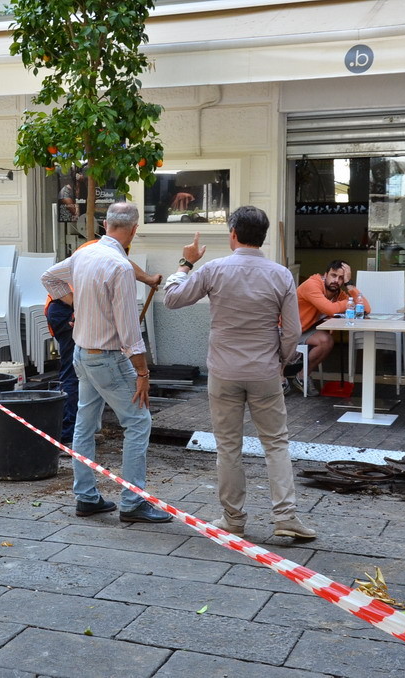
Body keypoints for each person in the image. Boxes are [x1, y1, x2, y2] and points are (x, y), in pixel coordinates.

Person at [164, 206, 316, 539]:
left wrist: (186, 263)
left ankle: (233, 518)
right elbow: (292, 330)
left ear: (233, 234)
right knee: (276, 443)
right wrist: (281, 361)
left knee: (228, 446)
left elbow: (172, 299)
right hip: (264, 370)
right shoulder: (280, 275)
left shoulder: (214, 269)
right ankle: (285, 516)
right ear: (263, 236)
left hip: (224, 370)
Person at [41, 202, 171, 523]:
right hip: (106, 358)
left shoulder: (85, 253)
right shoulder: (120, 267)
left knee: (85, 425)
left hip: (83, 354)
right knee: (138, 422)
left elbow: (49, 278)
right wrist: (143, 372)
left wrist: (77, 304)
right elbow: (129, 332)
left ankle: (86, 497)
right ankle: (132, 501)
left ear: (105, 224)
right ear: (134, 230)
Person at [45, 242, 161, 448]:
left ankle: (77, 432)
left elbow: (125, 264)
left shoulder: (101, 249)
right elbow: (125, 265)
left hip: (69, 309)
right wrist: (149, 279)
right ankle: (67, 431)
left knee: (82, 388)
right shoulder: (99, 249)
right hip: (64, 308)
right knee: (72, 373)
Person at [293, 260, 362, 394]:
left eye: (341, 278)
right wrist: (349, 304)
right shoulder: (312, 285)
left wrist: (350, 285)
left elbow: (366, 308)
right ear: (325, 275)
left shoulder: (337, 293)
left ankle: (302, 376)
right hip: (286, 331)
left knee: (326, 341)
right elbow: (330, 309)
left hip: (304, 330)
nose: (336, 280)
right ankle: (281, 378)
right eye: (333, 275)